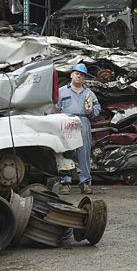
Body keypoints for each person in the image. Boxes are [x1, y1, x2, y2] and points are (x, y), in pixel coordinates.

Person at [57, 63, 101, 195]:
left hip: (83, 122)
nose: (79, 76)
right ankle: (65, 183)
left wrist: (91, 111)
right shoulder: (61, 91)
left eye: (82, 75)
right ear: (71, 75)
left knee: (84, 153)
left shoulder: (89, 93)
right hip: (66, 122)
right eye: (77, 73)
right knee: (66, 152)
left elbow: (98, 108)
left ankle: (85, 183)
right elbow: (54, 108)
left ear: (84, 78)